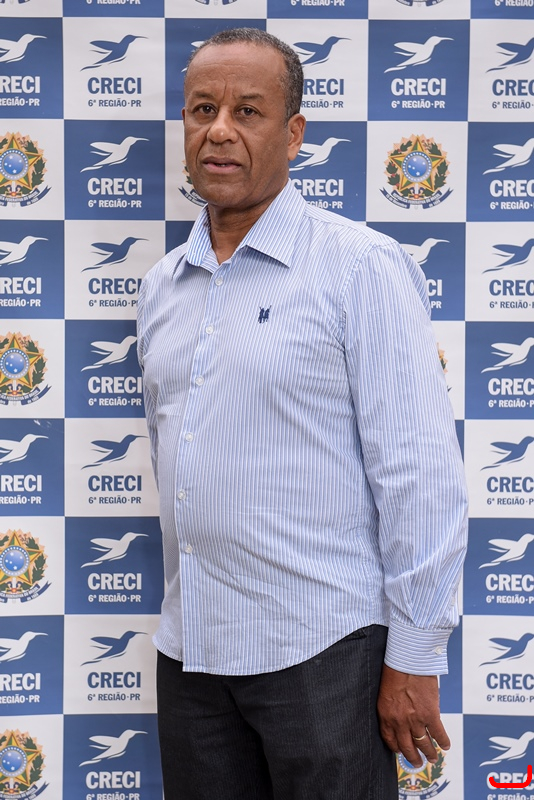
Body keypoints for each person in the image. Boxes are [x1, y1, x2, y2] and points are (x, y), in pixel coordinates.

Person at [137, 27, 468, 800]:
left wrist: (415, 654)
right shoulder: (161, 288)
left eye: (248, 111)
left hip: (323, 658)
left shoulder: (359, 267)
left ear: (293, 134)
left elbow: (419, 471)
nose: (219, 130)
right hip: (191, 655)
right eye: (202, 109)